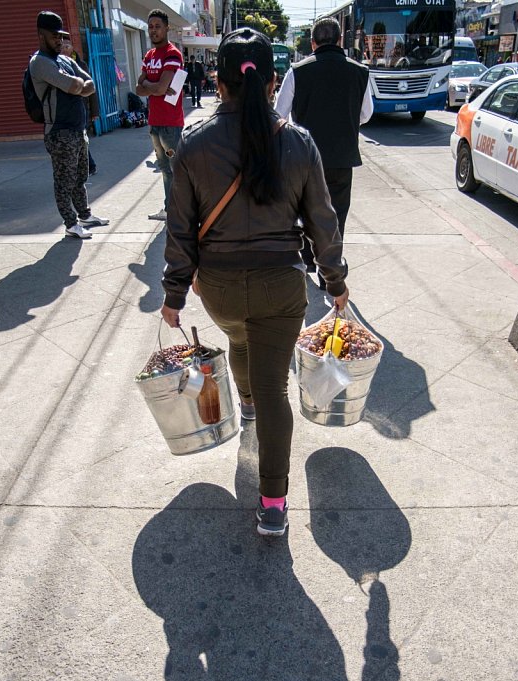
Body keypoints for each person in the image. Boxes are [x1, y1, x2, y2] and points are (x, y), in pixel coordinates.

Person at [160, 28, 350, 537]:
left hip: (218, 288)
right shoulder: (298, 140)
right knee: (275, 388)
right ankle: (273, 504)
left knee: (238, 335)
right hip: (281, 288)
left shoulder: (193, 143)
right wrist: (335, 280)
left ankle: (244, 404)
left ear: (218, 83)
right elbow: (323, 223)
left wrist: (175, 292)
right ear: (271, 83)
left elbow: (180, 226)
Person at [274, 17, 371, 285]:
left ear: (313, 43)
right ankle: (332, 264)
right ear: (340, 41)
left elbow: (279, 114)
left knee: (305, 211)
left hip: (304, 158)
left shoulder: (297, 71)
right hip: (342, 158)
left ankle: (307, 261)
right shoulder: (360, 71)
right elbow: (366, 114)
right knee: (336, 213)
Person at [29, 11, 108, 239]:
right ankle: (70, 223)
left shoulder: (64, 60)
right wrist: (76, 85)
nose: (59, 41)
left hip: (77, 128)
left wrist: (76, 84)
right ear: (41, 35)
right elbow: (73, 85)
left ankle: (84, 214)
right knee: (64, 179)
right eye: (54, 36)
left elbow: (89, 83)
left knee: (81, 176)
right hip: (59, 131)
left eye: (61, 36)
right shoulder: (40, 62)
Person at [136, 9, 184, 222]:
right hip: (154, 122)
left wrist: (151, 85)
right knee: (164, 169)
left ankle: (182, 211)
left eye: (157, 26)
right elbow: (139, 89)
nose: (153, 31)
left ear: (167, 28)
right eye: (151, 27)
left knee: (176, 171)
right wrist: (152, 86)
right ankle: (169, 209)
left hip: (171, 123)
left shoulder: (172, 54)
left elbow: (161, 87)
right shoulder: (149, 55)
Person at [59, 38, 100, 176]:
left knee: (80, 138)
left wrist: (95, 111)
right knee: (77, 138)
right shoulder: (57, 64)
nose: (64, 49)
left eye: (67, 46)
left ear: (72, 48)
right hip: (66, 110)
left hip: (80, 107)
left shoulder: (80, 65)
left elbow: (92, 88)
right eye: (62, 46)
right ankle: (86, 166)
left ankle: (89, 166)